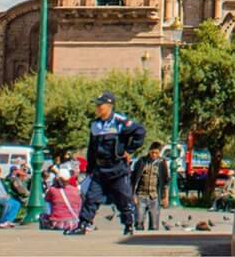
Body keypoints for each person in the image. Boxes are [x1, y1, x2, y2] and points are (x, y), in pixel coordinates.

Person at [66, 91, 145, 236]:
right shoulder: (95, 125)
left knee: (124, 198)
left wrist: (129, 150)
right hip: (100, 169)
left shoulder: (120, 122)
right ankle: (83, 224)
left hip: (118, 168)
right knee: (91, 197)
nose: (97, 108)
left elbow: (140, 132)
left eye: (100, 105)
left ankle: (129, 225)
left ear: (109, 106)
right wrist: (90, 168)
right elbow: (92, 148)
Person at [131, 142, 169, 231]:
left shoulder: (162, 163)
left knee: (154, 226)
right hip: (141, 195)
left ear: (159, 153)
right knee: (139, 223)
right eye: (152, 152)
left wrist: (165, 197)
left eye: (156, 153)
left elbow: (166, 181)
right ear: (149, 151)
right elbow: (133, 179)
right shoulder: (142, 161)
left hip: (154, 197)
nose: (154, 155)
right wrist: (133, 195)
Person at [42, 167, 82, 232]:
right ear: (69, 179)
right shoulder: (76, 190)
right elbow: (80, 206)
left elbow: (46, 205)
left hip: (56, 223)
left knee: (43, 213)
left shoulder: (52, 190)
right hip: (73, 223)